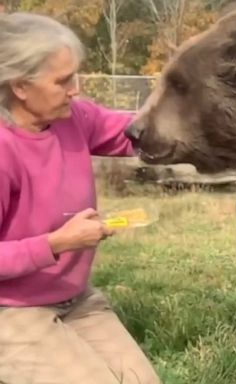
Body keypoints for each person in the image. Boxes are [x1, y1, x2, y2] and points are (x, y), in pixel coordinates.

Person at [0, 11, 161, 384]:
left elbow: (136, 132)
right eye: (63, 80)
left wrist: (195, 114)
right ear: (20, 86)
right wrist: (57, 243)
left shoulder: (73, 117)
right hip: (10, 310)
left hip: (74, 298)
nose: (76, 89)